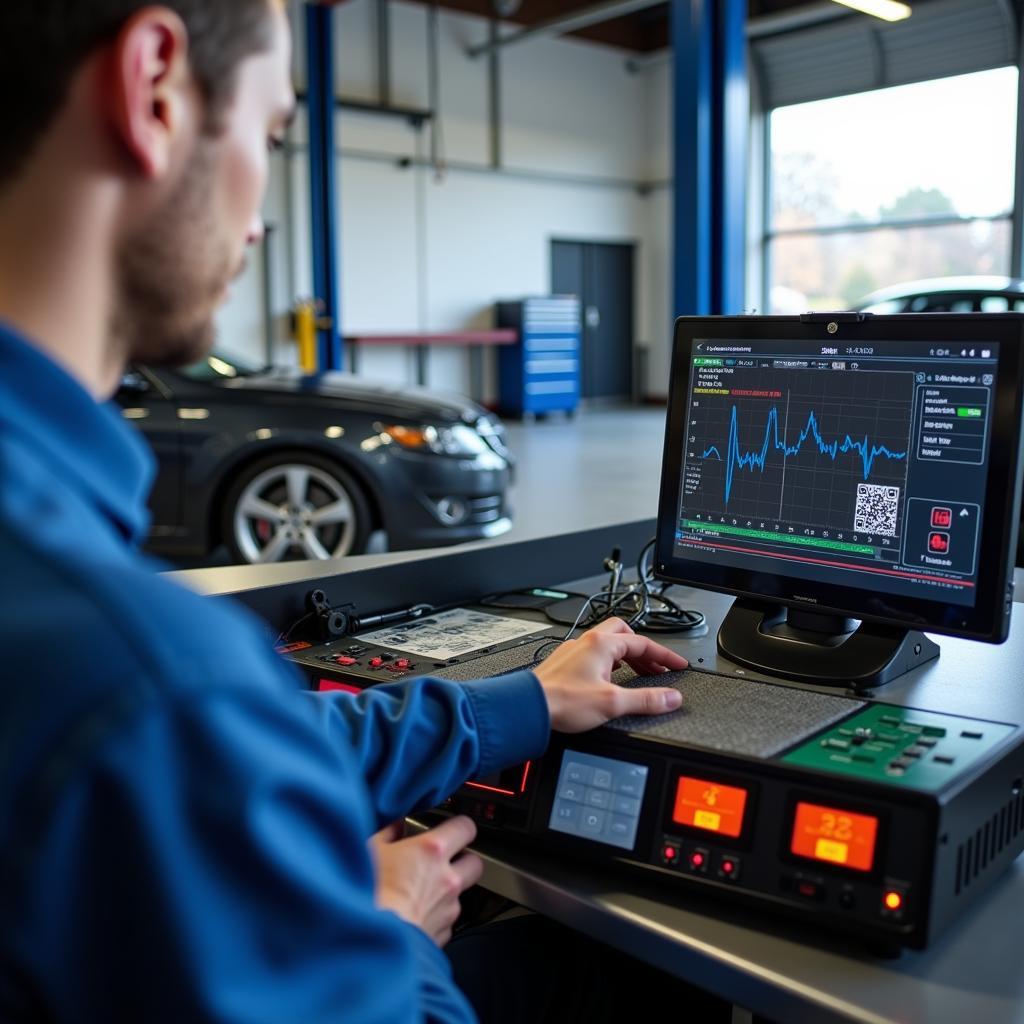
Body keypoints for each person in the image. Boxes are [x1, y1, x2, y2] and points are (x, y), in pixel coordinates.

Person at [0, 2, 697, 1020]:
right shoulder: (143, 679)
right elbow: (193, 748)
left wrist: (522, 702)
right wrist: (391, 930)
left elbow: (229, 771)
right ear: (153, 87)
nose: (259, 212)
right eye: (272, 133)